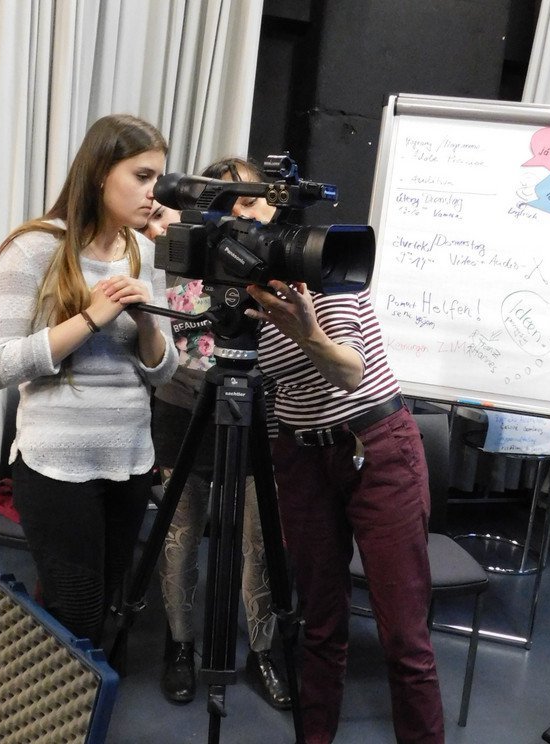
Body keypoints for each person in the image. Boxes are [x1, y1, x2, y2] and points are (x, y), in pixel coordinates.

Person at [244, 217, 446, 739]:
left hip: (376, 447)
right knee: (321, 624)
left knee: (404, 635)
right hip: (300, 455)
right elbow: (263, 390)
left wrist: (306, 330)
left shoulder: (326, 265)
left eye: (253, 205)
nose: (247, 223)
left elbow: (349, 372)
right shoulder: (242, 294)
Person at [0, 114, 178, 647]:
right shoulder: (34, 247)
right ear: (98, 174)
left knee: (108, 602)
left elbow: (163, 369)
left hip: (130, 459)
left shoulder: (144, 252)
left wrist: (146, 324)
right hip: (56, 465)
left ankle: (79, 709)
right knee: (78, 609)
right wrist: (91, 317)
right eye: (141, 177)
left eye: (158, 179)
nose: (153, 193)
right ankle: (51, 715)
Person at [145, 157, 291, 710]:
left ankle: (261, 651)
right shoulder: (187, 244)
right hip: (185, 407)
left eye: (253, 201)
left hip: (260, 410)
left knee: (259, 540)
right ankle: (179, 646)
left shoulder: (283, 257)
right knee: (180, 536)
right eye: (231, 205)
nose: (246, 216)